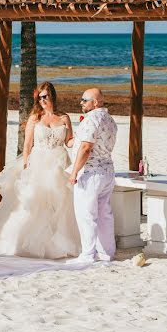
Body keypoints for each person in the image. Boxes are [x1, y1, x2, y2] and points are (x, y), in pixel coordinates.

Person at [0, 82, 81, 259]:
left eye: (45, 96)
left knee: (60, 204)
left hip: (59, 163)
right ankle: (24, 242)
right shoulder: (35, 118)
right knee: (33, 202)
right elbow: (27, 145)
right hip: (39, 163)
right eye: (40, 97)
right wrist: (26, 166)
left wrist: (81, 138)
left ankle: (57, 244)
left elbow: (69, 142)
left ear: (52, 96)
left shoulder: (64, 118)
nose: (42, 100)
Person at [68, 88, 118, 263]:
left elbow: (86, 147)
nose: (81, 103)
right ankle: (107, 253)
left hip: (90, 173)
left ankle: (88, 254)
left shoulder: (92, 119)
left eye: (84, 100)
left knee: (86, 214)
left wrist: (74, 172)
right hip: (107, 171)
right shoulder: (111, 120)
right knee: (105, 214)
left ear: (95, 102)